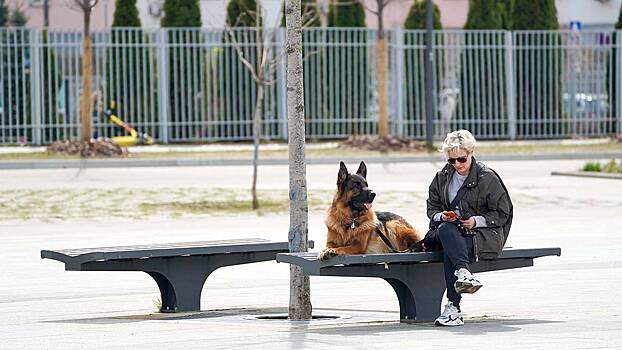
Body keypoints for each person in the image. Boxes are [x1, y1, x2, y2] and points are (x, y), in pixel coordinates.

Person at [423, 129, 513, 326]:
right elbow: (432, 207)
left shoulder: (487, 177)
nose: (457, 165)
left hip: (483, 235)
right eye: (452, 160)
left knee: (450, 247)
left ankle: (453, 308)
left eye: (461, 159)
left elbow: (503, 213)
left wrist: (476, 221)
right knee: (446, 231)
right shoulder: (442, 176)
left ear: (471, 153)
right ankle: (463, 272)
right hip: (451, 231)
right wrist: (442, 216)